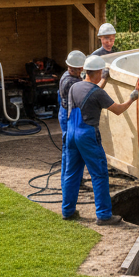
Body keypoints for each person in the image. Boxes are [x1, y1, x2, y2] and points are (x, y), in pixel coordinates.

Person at [61, 54, 138, 224]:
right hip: (87, 135)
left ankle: (67, 211)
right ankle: (103, 215)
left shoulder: (75, 86)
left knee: (71, 173)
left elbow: (91, 91)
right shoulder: (97, 93)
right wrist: (132, 98)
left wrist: (103, 80)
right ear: (96, 72)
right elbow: (118, 109)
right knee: (99, 174)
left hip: (71, 133)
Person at [57, 50, 85, 187]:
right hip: (68, 117)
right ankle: (67, 184)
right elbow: (90, 92)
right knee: (69, 152)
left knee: (74, 151)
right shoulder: (70, 81)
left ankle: (76, 182)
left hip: (67, 114)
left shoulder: (69, 74)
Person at [91, 22, 117, 87]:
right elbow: (86, 76)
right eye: (106, 38)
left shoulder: (116, 54)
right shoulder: (95, 56)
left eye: (112, 39)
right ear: (100, 38)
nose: (109, 42)